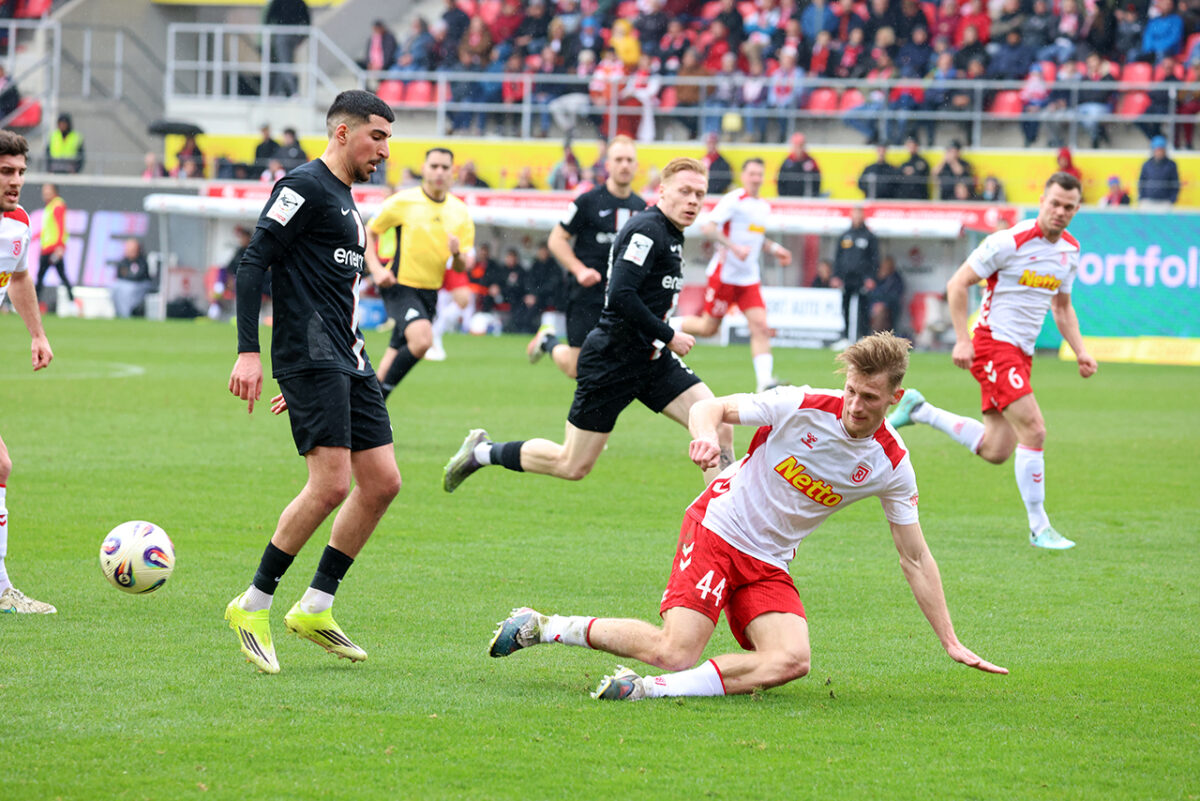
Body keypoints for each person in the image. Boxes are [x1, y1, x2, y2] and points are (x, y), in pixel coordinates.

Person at [487, 332, 1007, 700]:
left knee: (791, 661)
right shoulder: (801, 404)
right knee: (676, 649)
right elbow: (709, 408)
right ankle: (544, 626)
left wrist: (950, 640)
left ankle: (647, 690)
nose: (854, 405)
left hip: (768, 561)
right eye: (851, 390)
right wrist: (704, 438)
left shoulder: (891, 464)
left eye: (869, 398)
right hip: (718, 527)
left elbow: (914, 557)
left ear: (895, 397)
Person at [225, 90, 400, 674]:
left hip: (348, 358)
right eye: (377, 136)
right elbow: (253, 263)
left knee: (382, 483)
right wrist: (250, 353)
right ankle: (253, 604)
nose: (385, 150)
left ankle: (315, 607)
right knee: (329, 486)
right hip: (314, 355)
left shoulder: (347, 200)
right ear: (343, 132)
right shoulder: (302, 186)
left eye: (389, 139)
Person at [444, 158, 734, 493]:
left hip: (652, 360)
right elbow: (620, 295)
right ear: (663, 191)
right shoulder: (647, 231)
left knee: (717, 424)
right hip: (613, 360)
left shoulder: (670, 233)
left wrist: (662, 338)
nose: (693, 201)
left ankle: (725, 515)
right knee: (571, 464)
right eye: (685, 191)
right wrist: (669, 335)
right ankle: (482, 452)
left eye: (700, 194)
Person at [888, 172, 1095, 551]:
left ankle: (920, 410)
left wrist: (1080, 350)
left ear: (1076, 209)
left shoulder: (1069, 251)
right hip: (992, 344)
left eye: (1069, 207)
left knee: (997, 450)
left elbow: (1062, 307)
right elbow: (957, 284)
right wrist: (962, 340)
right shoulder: (1008, 241)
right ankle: (1039, 528)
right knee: (1034, 429)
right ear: (1042, 201)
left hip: (1021, 354)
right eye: (1054, 203)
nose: (1060, 211)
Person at [526, 136, 645, 380]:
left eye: (629, 160)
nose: (624, 165)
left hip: (623, 298)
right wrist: (580, 270)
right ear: (607, 165)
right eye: (618, 160)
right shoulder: (588, 201)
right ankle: (547, 341)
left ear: (636, 165)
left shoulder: (642, 208)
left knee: (623, 363)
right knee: (577, 368)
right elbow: (556, 239)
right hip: (586, 295)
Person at [364, 147, 476, 398]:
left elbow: (461, 266)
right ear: (424, 169)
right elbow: (368, 231)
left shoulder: (460, 212)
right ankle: (375, 400)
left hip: (430, 291)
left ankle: (370, 405)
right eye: (434, 166)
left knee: (395, 351)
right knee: (423, 340)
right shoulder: (403, 201)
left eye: (445, 167)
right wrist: (376, 269)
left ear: (453, 172)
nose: (439, 172)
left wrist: (457, 254)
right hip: (399, 284)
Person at [0, 130, 56, 614]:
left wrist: (37, 333)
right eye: (5, 171)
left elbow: (17, 276)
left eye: (20, 171)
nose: (15, 181)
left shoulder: (17, 222)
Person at [678, 157, 792, 392]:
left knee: (760, 327)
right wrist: (733, 247)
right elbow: (709, 227)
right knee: (708, 328)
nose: (756, 179)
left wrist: (775, 249)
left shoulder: (763, 207)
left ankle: (765, 383)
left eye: (759, 174)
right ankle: (666, 325)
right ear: (743, 176)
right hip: (725, 276)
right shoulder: (733, 200)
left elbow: (756, 237)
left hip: (748, 279)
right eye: (752, 174)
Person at [831, 205, 879, 347]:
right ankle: (845, 337)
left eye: (859, 214)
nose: (857, 217)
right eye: (854, 214)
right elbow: (838, 257)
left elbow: (875, 259)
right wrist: (836, 275)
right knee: (845, 308)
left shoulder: (869, 236)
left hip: (862, 279)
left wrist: (871, 277)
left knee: (863, 309)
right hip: (847, 278)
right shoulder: (845, 235)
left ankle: (863, 337)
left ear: (863, 216)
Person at [34, 182, 74, 307]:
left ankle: (72, 302)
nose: (45, 193)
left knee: (44, 276)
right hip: (47, 248)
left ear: (54, 191)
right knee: (56, 275)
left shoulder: (57, 205)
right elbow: (48, 229)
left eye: (48, 190)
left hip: (53, 249)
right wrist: (33, 237)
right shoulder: (50, 206)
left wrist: (60, 246)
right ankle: (72, 301)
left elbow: (61, 227)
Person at [264, 0, 310, 96]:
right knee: (284, 62)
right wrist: (302, 37)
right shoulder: (299, 2)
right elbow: (308, 21)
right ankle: (277, 92)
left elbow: (268, 18)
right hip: (295, 35)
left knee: (284, 63)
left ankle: (293, 92)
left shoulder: (278, 2)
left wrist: (270, 33)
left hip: (282, 35)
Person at [111, 238, 154, 318]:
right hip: (125, 285)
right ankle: (119, 313)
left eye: (132, 249)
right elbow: (120, 275)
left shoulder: (142, 261)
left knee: (129, 290)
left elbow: (139, 276)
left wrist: (128, 276)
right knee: (116, 288)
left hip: (140, 285)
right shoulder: (123, 262)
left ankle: (126, 315)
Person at [1137, 136, 1179, 207]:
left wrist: (1172, 199)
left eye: (1161, 150)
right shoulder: (1147, 164)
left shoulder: (1171, 165)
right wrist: (1142, 197)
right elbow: (1142, 181)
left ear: (1165, 150)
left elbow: (1175, 183)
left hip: (1165, 202)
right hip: (1148, 201)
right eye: (1157, 150)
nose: (1159, 152)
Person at [865, 255, 904, 332]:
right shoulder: (875, 277)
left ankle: (875, 334)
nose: (885, 268)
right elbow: (870, 294)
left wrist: (883, 304)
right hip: (872, 306)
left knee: (881, 313)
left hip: (889, 307)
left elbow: (895, 295)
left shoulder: (896, 279)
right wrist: (875, 304)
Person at [776, 132, 821, 197]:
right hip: (789, 198)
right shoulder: (787, 162)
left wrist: (814, 196)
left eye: (800, 146)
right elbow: (780, 181)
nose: (798, 149)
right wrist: (783, 196)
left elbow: (817, 180)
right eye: (796, 146)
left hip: (806, 198)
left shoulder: (811, 162)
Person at [895, 135, 930, 200]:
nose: (910, 147)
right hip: (906, 198)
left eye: (912, 145)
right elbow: (898, 177)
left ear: (916, 146)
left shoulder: (922, 162)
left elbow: (920, 177)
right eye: (909, 145)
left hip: (919, 197)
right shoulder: (905, 163)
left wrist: (912, 171)